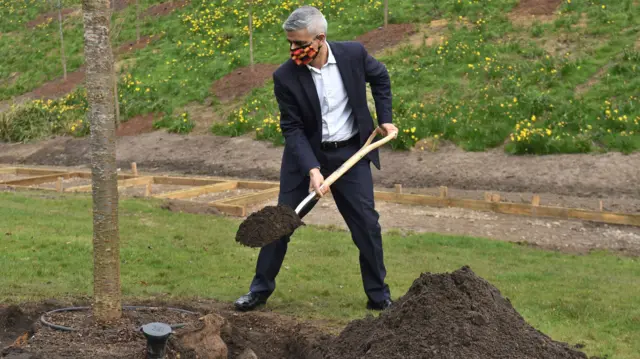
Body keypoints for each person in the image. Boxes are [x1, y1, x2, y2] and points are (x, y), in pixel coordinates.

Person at [234, 5, 398, 312]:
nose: (293, 49)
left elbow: (381, 78)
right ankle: (259, 290)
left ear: (320, 38)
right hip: (305, 157)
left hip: (351, 153)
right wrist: (312, 168)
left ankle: (379, 296)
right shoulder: (285, 76)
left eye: (299, 43)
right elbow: (292, 127)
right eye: (290, 43)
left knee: (367, 225)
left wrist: (384, 118)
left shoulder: (353, 55)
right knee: (280, 222)